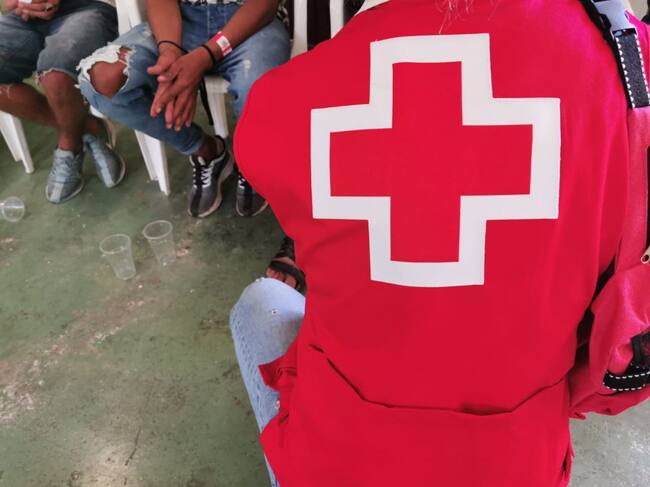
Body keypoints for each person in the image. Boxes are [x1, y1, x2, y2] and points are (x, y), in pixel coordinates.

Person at [229, 0, 650, 486]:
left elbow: (263, 159)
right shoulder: (628, 67)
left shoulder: (286, 97)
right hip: (514, 463)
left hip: (342, 461)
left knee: (260, 302)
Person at [77, 0, 290, 218]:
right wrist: (170, 53)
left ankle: (252, 162)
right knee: (100, 79)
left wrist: (205, 56)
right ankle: (205, 151)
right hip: (181, 21)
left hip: (252, 24)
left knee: (256, 89)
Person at [0, 0, 124, 204]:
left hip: (88, 6)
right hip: (25, 17)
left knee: (55, 76)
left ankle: (68, 145)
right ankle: (88, 127)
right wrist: (16, 3)